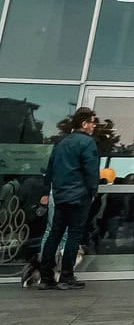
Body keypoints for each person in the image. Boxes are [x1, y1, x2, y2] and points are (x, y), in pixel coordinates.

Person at [38, 106, 98, 290]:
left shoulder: (61, 142)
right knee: (74, 234)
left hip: (60, 194)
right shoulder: (87, 143)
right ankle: (66, 276)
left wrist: (47, 190)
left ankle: (46, 277)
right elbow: (90, 170)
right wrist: (92, 191)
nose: (94, 126)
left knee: (54, 234)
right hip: (79, 196)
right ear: (84, 123)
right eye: (92, 122)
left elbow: (50, 168)